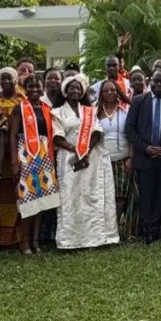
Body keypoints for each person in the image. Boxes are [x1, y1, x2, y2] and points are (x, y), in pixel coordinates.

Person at [52, 74, 119, 249]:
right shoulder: (57, 112)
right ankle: (72, 240)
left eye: (78, 88)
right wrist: (75, 149)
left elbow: (97, 132)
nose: (75, 90)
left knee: (92, 195)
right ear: (65, 92)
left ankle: (95, 238)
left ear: (83, 92)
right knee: (72, 196)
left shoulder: (89, 111)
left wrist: (86, 151)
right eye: (71, 88)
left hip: (91, 158)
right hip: (68, 158)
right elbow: (57, 137)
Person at [126, 71, 161, 245]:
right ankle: (150, 230)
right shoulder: (138, 101)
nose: (160, 85)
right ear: (150, 82)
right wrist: (146, 148)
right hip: (145, 157)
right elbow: (130, 128)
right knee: (148, 194)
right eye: (157, 82)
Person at [8, 75, 61, 255]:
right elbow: (13, 135)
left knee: (42, 200)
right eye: (31, 86)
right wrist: (14, 162)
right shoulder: (19, 109)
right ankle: (24, 240)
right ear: (25, 88)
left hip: (45, 157)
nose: (35, 90)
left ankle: (36, 240)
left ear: (43, 88)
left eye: (38, 86)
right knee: (27, 199)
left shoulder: (48, 109)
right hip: (26, 156)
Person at [0, 68, 26, 251]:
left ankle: (17, 238)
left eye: (10, 78)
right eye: (2, 78)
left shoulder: (23, 100)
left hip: (21, 154)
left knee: (18, 196)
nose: (6, 81)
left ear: (16, 80)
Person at [96, 79, 138, 240]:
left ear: (119, 91)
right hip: (102, 159)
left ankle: (117, 229)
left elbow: (132, 135)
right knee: (106, 195)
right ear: (101, 93)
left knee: (121, 195)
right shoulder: (95, 111)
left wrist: (131, 158)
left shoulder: (126, 109)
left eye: (113, 90)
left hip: (123, 158)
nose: (110, 93)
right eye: (106, 90)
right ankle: (105, 228)